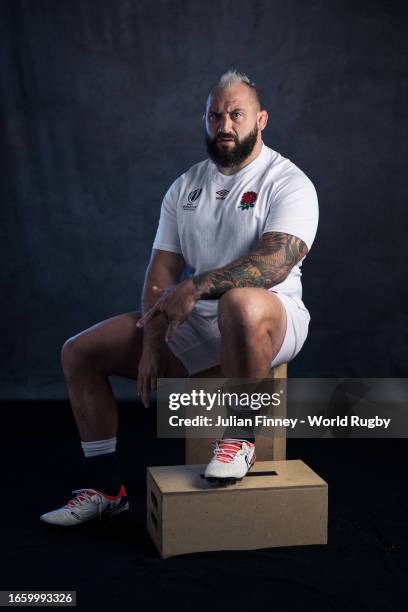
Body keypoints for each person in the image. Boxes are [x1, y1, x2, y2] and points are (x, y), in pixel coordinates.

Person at [40, 69, 318, 526]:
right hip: (197, 317)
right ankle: (106, 488)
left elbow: (274, 264)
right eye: (214, 116)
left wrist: (196, 285)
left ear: (261, 119)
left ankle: (239, 438)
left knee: (240, 303)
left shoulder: (288, 182)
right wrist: (151, 340)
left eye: (236, 114)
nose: (224, 125)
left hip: (273, 313)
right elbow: (162, 272)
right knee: (79, 352)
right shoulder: (185, 186)